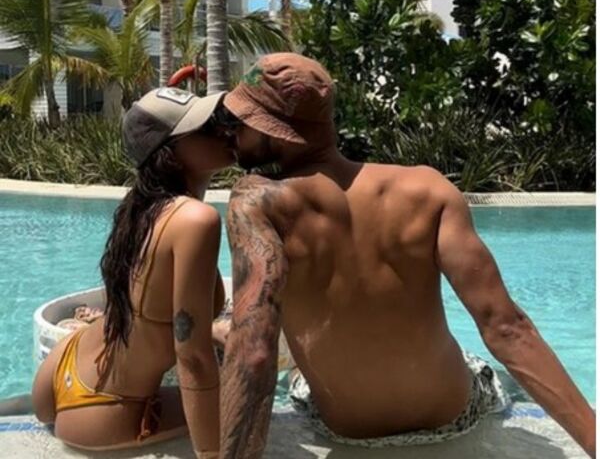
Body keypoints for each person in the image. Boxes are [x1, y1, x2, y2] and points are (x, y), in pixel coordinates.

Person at [217, 53, 596, 459]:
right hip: (452, 414)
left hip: (347, 429)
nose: (231, 134)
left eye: (239, 123)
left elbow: (254, 350)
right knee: (488, 372)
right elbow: (507, 328)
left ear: (272, 129)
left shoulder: (256, 201)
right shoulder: (427, 189)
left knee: (254, 338)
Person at [31, 87, 232, 458]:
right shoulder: (196, 219)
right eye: (206, 127)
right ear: (171, 152)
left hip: (61, 369)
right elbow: (192, 357)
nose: (223, 130)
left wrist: (211, 329)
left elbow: (147, 305)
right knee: (241, 401)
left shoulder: (139, 206)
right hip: (103, 408)